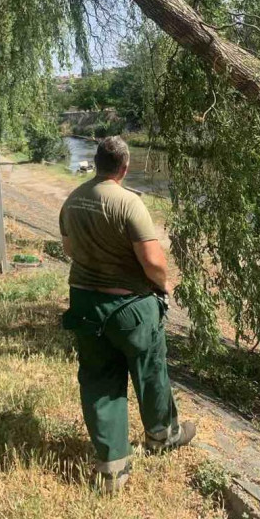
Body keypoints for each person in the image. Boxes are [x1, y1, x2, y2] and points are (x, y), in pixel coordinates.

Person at [59, 135, 196, 494]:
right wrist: (164, 285)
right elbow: (153, 262)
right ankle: (162, 436)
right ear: (124, 166)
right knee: (151, 372)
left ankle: (112, 468)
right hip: (130, 308)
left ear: (97, 163)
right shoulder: (128, 203)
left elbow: (70, 249)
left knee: (99, 380)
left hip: (85, 305)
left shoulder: (73, 200)